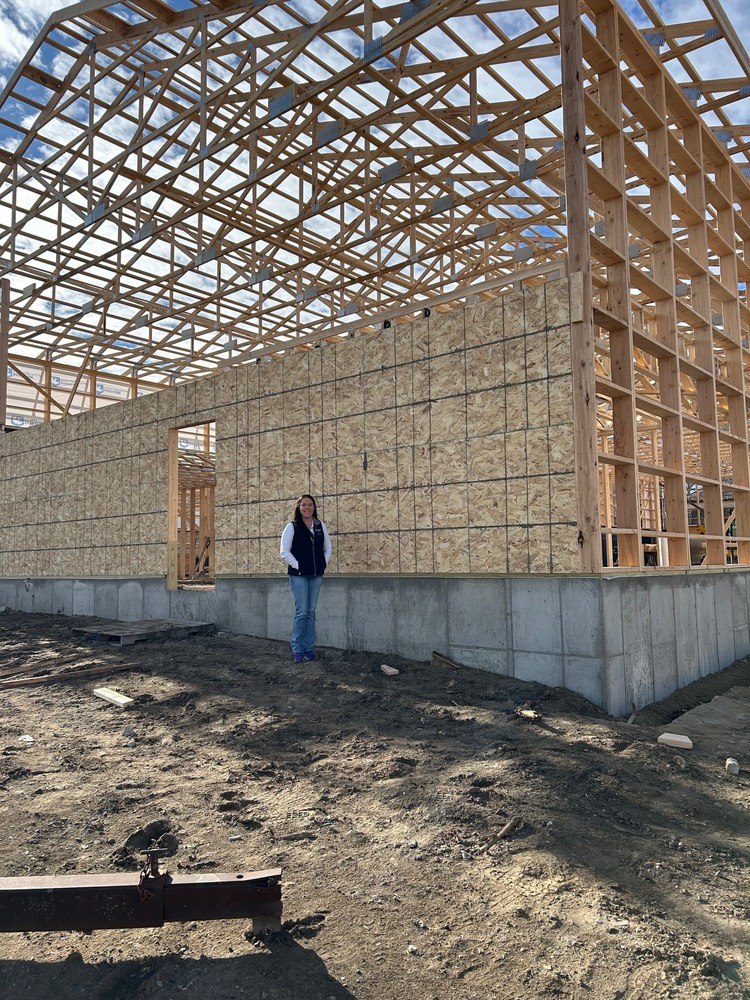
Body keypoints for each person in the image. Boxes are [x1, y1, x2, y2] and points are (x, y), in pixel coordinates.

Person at [279, 494, 332, 662]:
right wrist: (298, 566)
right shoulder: (292, 527)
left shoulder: (319, 526)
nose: (307, 508)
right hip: (299, 576)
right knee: (301, 611)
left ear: (314, 508)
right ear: (299, 507)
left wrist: (323, 563)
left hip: (316, 575)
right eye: (304, 505)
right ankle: (297, 648)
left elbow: (328, 547)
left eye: (310, 505)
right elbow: (284, 551)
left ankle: (309, 647)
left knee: (311, 612)